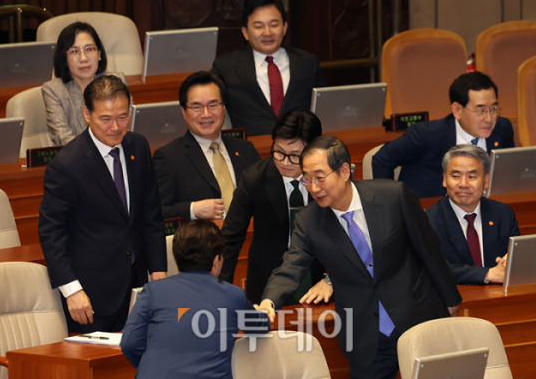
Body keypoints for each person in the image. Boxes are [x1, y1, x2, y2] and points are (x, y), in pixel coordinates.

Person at [259, 135, 462, 379]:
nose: (313, 187)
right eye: (307, 179)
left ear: (344, 171)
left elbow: (429, 249)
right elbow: (291, 265)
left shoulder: (393, 196)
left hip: (417, 316)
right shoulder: (309, 220)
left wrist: (450, 299)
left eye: (320, 177)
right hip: (366, 336)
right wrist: (268, 302)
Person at [38, 75, 166, 333]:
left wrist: (159, 272)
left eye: (122, 117)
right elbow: (51, 232)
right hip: (91, 294)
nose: (116, 127)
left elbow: (151, 215)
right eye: (105, 119)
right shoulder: (67, 165)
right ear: (87, 114)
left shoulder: (138, 146)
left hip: (137, 285)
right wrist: (71, 289)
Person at [120, 219, 270, 379]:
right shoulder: (233, 295)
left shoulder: (153, 291)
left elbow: (129, 342)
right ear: (216, 260)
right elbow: (260, 326)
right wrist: (263, 311)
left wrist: (150, 365)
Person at [220, 110, 331, 305]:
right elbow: (230, 238)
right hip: (268, 282)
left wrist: (330, 278)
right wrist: (219, 292)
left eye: (295, 156)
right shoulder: (255, 179)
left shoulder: (329, 178)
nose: (285, 163)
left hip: (320, 281)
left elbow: (349, 233)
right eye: (279, 152)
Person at [372, 72, 514, 198]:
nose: (489, 118)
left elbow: (507, 173)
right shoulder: (427, 135)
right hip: (432, 216)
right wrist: (391, 206)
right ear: (457, 110)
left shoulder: (502, 129)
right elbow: (382, 159)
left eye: (493, 108)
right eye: (480, 110)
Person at [211, 0, 327, 136]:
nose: (267, 33)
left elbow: (325, 106)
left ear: (284, 28)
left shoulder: (307, 63)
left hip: (300, 147)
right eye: (259, 26)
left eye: (274, 25)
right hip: (251, 151)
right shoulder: (226, 67)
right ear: (245, 32)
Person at [153, 71, 260, 222]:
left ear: (224, 108)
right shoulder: (169, 157)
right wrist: (192, 210)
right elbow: (156, 211)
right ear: (183, 111)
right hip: (203, 242)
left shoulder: (245, 149)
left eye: (213, 105)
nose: (206, 114)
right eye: (197, 107)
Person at [426, 144, 520, 285]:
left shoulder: (503, 213)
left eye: (472, 176)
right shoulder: (429, 220)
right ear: (445, 179)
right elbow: (434, 268)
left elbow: (517, 253)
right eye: (456, 176)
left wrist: (509, 260)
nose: (463, 184)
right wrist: (488, 274)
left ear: (486, 180)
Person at [42, 22, 128, 146]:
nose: (83, 58)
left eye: (89, 49)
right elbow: (62, 137)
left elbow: (127, 127)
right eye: (74, 51)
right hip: (77, 161)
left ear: (99, 53)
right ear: (64, 59)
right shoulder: (54, 90)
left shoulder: (116, 81)